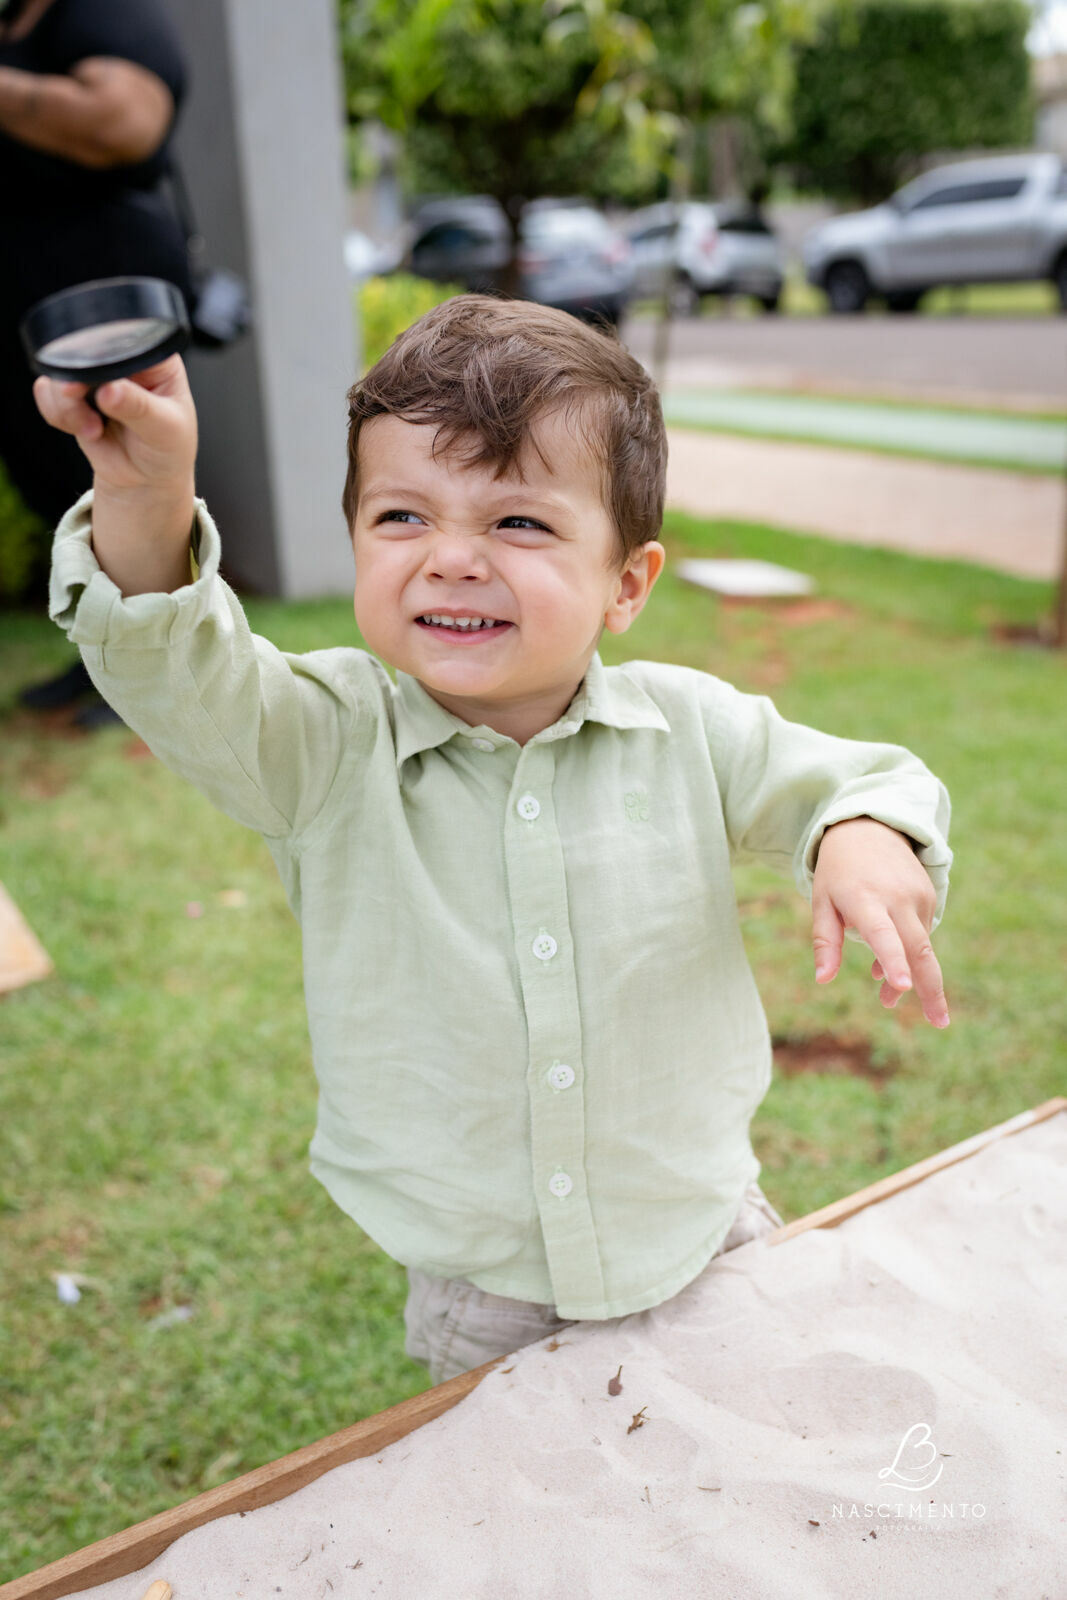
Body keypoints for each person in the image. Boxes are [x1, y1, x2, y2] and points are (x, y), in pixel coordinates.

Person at [36, 296, 952, 1386]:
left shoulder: (692, 730)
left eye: (517, 522)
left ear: (626, 583)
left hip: (702, 1228)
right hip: (483, 1284)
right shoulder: (319, 745)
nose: (451, 559)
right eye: (402, 518)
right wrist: (146, 490)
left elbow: (860, 778)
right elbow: (171, 663)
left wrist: (857, 831)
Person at [0, 0, 191, 724]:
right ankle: (104, 659)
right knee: (54, 486)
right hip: (25, 302)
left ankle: (162, 668)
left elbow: (125, 122)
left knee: (121, 474)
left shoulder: (101, 10)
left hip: (102, 292)